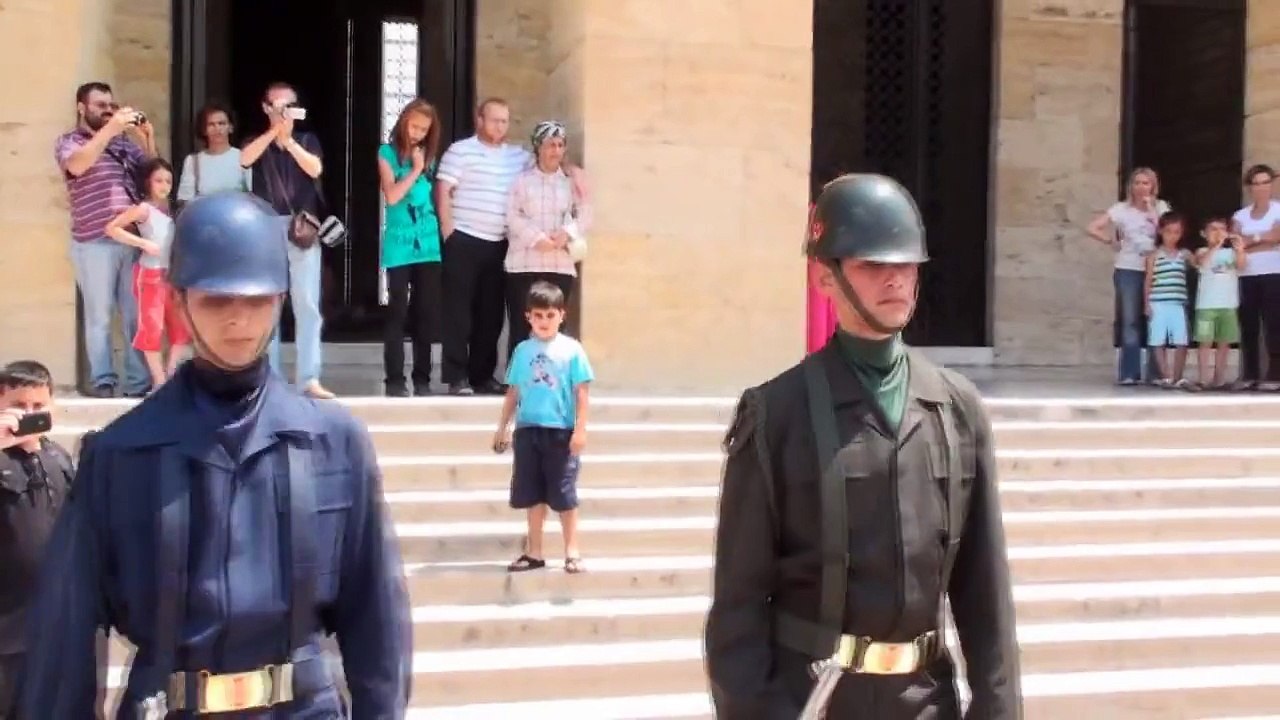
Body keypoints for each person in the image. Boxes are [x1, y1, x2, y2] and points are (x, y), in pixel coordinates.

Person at [19, 192, 413, 718]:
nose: (239, 321)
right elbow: (66, 635)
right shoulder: (119, 453)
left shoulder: (333, 442)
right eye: (216, 300)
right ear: (179, 301)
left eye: (256, 301)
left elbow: (376, 617)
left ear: (280, 299)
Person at [704, 173, 1023, 719]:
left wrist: (997, 710)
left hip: (928, 701)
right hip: (815, 701)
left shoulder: (957, 409)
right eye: (873, 265)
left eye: (905, 265)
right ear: (824, 278)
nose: (894, 279)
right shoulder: (777, 414)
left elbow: (984, 595)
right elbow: (738, 609)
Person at [492, 281, 593, 575]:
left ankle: (572, 551)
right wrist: (503, 427)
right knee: (531, 493)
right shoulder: (523, 351)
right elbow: (514, 391)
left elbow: (582, 392)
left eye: (550, 315)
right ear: (528, 317)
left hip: (559, 430)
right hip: (528, 430)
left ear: (562, 315)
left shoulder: (572, 350)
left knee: (563, 493)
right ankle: (534, 551)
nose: (544, 322)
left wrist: (580, 429)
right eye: (538, 316)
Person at [0, 362, 75, 718]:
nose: (30, 414)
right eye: (19, 405)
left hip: (54, 628)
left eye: (38, 406)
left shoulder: (58, 457)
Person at [377, 98, 444, 397]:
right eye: (414, 126)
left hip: (428, 244)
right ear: (404, 121)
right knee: (397, 310)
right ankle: (394, 380)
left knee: (426, 311)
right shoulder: (387, 153)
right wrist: (416, 169)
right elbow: (391, 196)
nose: (418, 133)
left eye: (424, 129)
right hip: (399, 244)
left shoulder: (430, 156)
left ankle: (422, 378)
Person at [105, 157, 191, 389]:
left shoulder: (174, 208)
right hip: (151, 274)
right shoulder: (144, 209)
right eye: (158, 180)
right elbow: (112, 228)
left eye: (168, 181)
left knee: (181, 329)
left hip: (173, 275)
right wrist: (143, 244)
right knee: (152, 330)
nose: (163, 185)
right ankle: (159, 381)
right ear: (148, 183)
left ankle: (170, 375)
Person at [1191, 217, 1247, 390]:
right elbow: (1202, 263)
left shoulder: (1230, 253)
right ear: (1204, 233)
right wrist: (1215, 246)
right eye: (1213, 229)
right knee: (1205, 342)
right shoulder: (1201, 251)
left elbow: (1241, 266)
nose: (1217, 233)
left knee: (1224, 342)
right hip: (1206, 305)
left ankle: (1220, 378)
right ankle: (1203, 378)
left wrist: (1240, 249)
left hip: (1228, 304)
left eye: (1221, 229)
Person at [1143, 212, 1192, 388]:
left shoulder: (1183, 254)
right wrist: (1146, 303)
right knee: (1158, 340)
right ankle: (1166, 376)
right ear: (1161, 231)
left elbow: (1200, 264)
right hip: (1158, 303)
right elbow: (1148, 280)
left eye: (1177, 232)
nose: (1173, 236)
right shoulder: (1154, 255)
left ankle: (1178, 376)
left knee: (1182, 341)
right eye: (1169, 231)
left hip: (1177, 303)